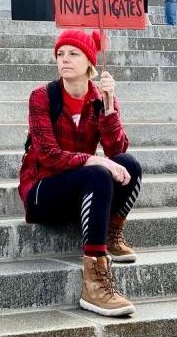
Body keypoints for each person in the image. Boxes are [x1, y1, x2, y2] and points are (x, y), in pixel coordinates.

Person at [19, 30, 141, 318]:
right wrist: (93, 162)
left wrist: (109, 108)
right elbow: (48, 155)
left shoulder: (100, 98)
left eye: (73, 53)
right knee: (98, 172)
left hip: (78, 186)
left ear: (90, 63)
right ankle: (94, 281)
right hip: (42, 190)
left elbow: (116, 150)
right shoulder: (42, 97)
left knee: (130, 164)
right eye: (60, 54)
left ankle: (111, 232)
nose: (64, 60)